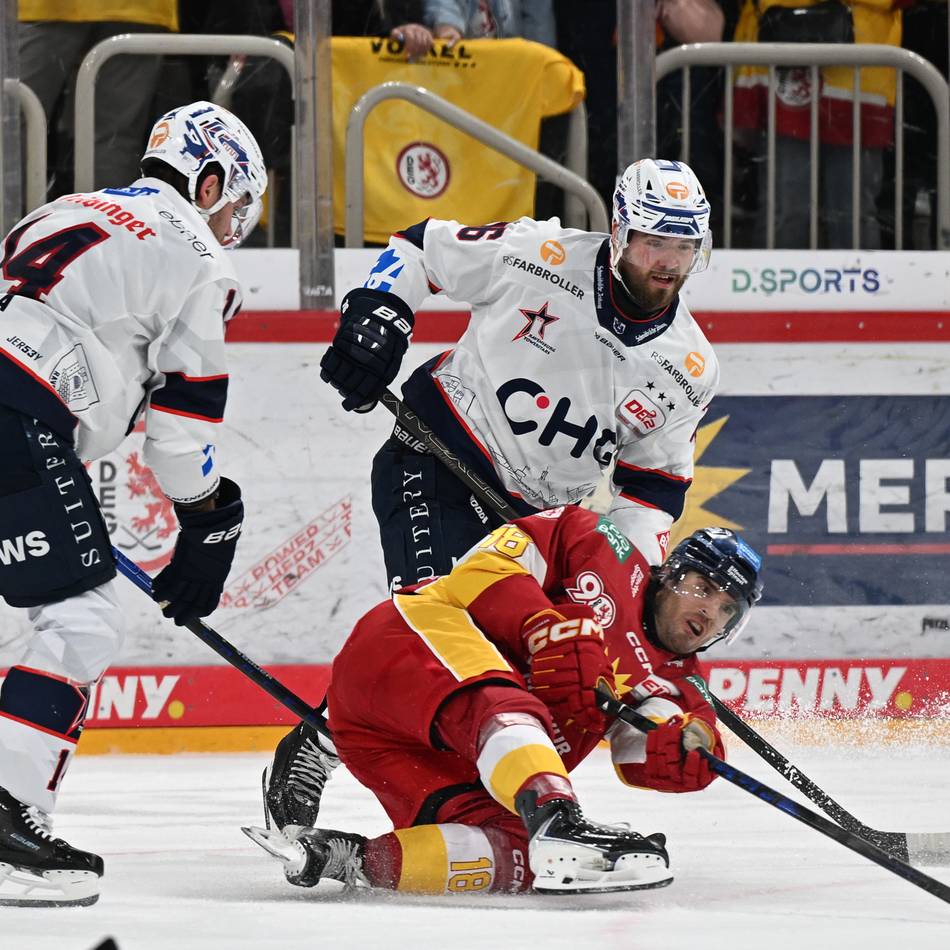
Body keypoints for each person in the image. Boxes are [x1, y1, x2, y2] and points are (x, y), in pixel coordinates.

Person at [262, 157, 721, 826]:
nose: (668, 262)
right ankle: (318, 743)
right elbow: (420, 249)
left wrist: (626, 579)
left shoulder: (689, 364)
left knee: (516, 660)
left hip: (535, 527)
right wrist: (379, 309)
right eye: (654, 242)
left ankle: (483, 791)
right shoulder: (540, 254)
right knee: (437, 632)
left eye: (684, 247)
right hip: (437, 462)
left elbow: (651, 489)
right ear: (619, 231)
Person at [0, 101, 267, 907]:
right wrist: (212, 518)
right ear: (210, 181)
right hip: (17, 414)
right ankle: (8, 818)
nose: (233, 231)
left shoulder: (61, 208)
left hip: (19, 409)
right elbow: (178, 446)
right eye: (235, 208)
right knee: (84, 614)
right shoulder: (198, 260)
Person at [245, 508, 763, 895]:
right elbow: (479, 569)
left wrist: (683, 753)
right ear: (671, 575)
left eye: (727, 609)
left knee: (528, 855)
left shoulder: (680, 688)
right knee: (513, 705)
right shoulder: (597, 542)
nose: (710, 613)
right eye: (703, 588)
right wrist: (541, 627)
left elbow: (639, 758)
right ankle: (556, 814)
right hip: (404, 653)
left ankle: (343, 857)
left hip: (414, 755)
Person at [18, 0, 179, 194]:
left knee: (16, 119)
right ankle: (103, 220)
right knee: (114, 136)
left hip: (47, 7)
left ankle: (11, 219)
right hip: (138, 8)